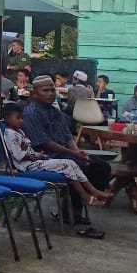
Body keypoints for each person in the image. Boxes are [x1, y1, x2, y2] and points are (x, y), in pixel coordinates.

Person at [22, 75, 112, 224]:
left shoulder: (54, 111)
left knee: (101, 166)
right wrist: (74, 154)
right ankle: (70, 212)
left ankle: (75, 208)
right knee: (82, 166)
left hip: (63, 152)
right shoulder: (31, 112)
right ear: (35, 93)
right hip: (43, 156)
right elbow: (45, 143)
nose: (51, 93)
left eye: (52, 90)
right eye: (46, 90)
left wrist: (79, 152)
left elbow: (67, 136)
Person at [2, 103, 114, 210]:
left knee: (72, 163)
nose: (21, 121)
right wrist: (36, 157)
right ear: (7, 118)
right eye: (18, 118)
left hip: (34, 160)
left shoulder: (20, 131)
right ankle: (84, 196)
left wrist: (39, 155)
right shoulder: (10, 134)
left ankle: (92, 190)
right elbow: (19, 155)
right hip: (25, 166)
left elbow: (28, 149)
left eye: (22, 118)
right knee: (66, 165)